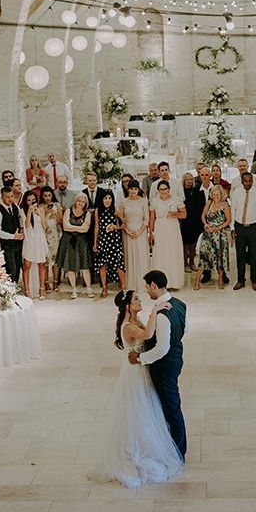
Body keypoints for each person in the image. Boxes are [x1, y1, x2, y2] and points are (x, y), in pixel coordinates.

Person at [90, 289, 183, 488]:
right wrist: (156, 310)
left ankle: (143, 443)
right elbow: (148, 334)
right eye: (136, 299)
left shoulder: (136, 320)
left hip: (140, 368)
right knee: (138, 407)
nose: (140, 301)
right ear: (127, 306)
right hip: (134, 373)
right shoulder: (128, 326)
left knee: (146, 407)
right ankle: (138, 446)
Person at [128, 270, 188, 460]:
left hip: (164, 365)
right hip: (177, 358)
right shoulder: (180, 304)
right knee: (170, 404)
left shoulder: (162, 315)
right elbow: (185, 329)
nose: (146, 291)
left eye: (147, 286)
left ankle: (178, 451)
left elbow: (161, 348)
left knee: (171, 407)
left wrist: (140, 358)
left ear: (154, 285)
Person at [230, 172, 256, 291]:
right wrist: (232, 227)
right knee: (240, 255)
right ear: (241, 181)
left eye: (249, 181)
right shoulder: (236, 192)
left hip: (254, 227)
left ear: (253, 181)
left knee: (254, 255)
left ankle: (254, 280)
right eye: (245, 181)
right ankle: (240, 280)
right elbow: (232, 210)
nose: (247, 183)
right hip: (239, 227)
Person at [56, 193, 95, 299]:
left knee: (85, 267)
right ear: (75, 201)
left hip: (81, 242)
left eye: (83, 202)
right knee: (70, 266)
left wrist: (72, 227)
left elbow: (85, 229)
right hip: (68, 241)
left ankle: (88, 288)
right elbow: (65, 227)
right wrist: (79, 228)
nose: (81, 203)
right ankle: (74, 289)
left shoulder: (87, 213)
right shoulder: (68, 210)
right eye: (79, 201)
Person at [149, 180, 186, 290]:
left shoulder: (176, 199)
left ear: (169, 189)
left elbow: (184, 214)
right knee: (161, 254)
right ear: (158, 190)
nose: (163, 191)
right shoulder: (155, 201)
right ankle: (161, 283)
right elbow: (151, 219)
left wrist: (176, 214)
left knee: (173, 253)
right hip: (160, 228)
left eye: (165, 189)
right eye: (161, 189)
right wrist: (151, 233)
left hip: (172, 229)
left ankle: (174, 282)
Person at [194, 185, 231, 290]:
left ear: (221, 194)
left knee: (220, 258)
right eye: (214, 194)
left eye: (217, 194)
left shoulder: (225, 205)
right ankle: (197, 281)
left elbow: (228, 220)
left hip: (220, 235)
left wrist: (218, 228)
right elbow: (203, 216)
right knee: (204, 257)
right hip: (208, 234)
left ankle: (220, 280)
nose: (216, 196)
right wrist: (205, 224)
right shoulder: (209, 203)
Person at [117, 180, 150, 292]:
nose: (133, 191)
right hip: (128, 232)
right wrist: (127, 230)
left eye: (135, 189)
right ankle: (130, 283)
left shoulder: (143, 201)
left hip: (141, 231)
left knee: (141, 256)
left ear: (138, 189)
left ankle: (143, 283)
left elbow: (147, 219)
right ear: (128, 189)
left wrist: (140, 232)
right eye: (131, 189)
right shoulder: (123, 202)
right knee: (129, 256)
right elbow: (121, 218)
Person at [94, 192, 127, 297]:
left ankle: (124, 287)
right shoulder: (98, 211)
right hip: (103, 240)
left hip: (114, 240)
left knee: (119, 263)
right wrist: (95, 242)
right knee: (102, 264)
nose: (107, 200)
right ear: (101, 199)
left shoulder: (116, 210)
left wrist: (115, 227)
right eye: (105, 198)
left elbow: (124, 224)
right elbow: (96, 227)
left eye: (109, 198)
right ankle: (104, 287)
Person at [0, 186, 24, 283]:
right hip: (7, 246)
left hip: (18, 244)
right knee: (10, 270)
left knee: (18, 268)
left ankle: (15, 288)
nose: (10, 199)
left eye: (11, 196)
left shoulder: (15, 207)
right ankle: (10, 292)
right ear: (2, 197)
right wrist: (13, 236)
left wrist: (21, 231)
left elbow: (19, 221)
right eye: (7, 197)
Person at [20, 190, 49, 300]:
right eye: (28, 200)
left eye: (33, 200)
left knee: (41, 264)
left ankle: (41, 289)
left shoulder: (41, 209)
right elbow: (26, 225)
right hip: (29, 239)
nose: (31, 202)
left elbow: (45, 226)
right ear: (25, 200)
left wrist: (40, 214)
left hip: (39, 238)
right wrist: (29, 212)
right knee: (27, 265)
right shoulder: (22, 210)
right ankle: (27, 290)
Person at [39, 186, 62, 293]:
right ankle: (46, 282)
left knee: (55, 259)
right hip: (44, 234)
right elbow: (41, 223)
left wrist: (55, 213)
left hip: (55, 234)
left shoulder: (57, 205)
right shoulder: (40, 207)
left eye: (49, 195)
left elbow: (61, 221)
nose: (47, 198)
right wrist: (47, 213)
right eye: (45, 196)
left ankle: (56, 281)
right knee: (46, 259)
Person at [179, 172, 199, 272]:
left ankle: (192, 262)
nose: (190, 181)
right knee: (185, 244)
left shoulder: (196, 190)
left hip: (195, 221)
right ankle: (184, 263)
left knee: (193, 244)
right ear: (184, 181)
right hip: (185, 221)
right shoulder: (181, 192)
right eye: (188, 180)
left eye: (191, 179)